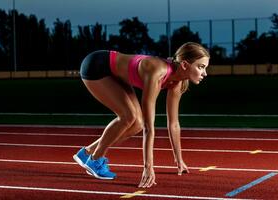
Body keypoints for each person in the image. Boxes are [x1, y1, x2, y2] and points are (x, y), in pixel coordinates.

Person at [73, 42, 210, 188]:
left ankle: (87, 152)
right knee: (129, 116)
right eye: (201, 67)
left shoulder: (179, 83)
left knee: (136, 123)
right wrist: (148, 167)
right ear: (184, 65)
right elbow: (149, 127)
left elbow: (174, 123)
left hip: (116, 74)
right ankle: (95, 159)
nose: (205, 73)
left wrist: (178, 158)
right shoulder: (158, 71)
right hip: (97, 66)